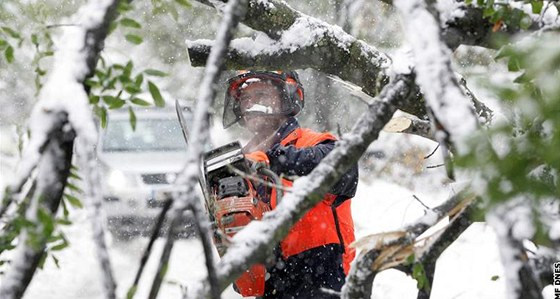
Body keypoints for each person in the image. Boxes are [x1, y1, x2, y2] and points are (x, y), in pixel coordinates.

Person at [223, 70, 359, 299]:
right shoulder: (240, 161)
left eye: (262, 95)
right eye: (246, 98)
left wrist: (276, 159)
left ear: (286, 98)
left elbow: (344, 168)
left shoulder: (313, 143)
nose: (252, 104)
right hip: (271, 282)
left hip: (322, 275)